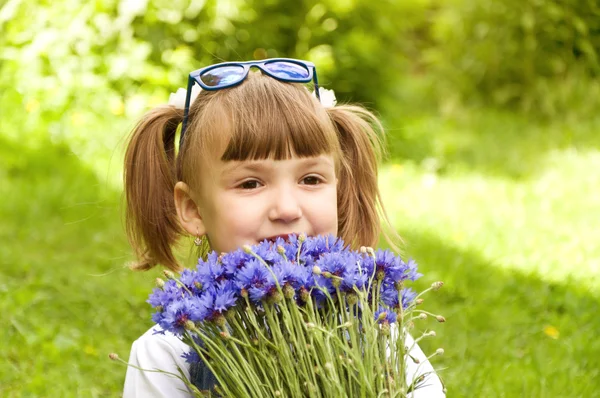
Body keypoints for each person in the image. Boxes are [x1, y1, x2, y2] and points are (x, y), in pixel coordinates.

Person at [122, 58, 445, 397]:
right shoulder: (168, 353)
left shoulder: (379, 332)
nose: (287, 209)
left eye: (310, 179)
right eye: (250, 184)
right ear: (193, 209)